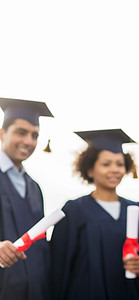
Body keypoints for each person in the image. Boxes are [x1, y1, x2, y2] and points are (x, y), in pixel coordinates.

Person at [49, 129, 139, 300]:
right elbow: (59, 266)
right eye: (106, 164)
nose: (114, 170)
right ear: (90, 169)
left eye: (120, 164)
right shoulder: (74, 211)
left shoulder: (138, 211)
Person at [0, 97, 53, 300]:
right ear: (2, 133)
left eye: (34, 135)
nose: (29, 141)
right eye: (21, 133)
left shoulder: (34, 187)